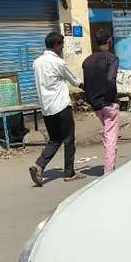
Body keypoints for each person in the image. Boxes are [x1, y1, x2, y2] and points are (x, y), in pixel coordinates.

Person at [29, 31, 81, 186]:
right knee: (69, 139)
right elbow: (74, 80)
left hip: (46, 108)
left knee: (55, 139)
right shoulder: (59, 63)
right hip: (61, 106)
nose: (62, 48)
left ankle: (39, 165)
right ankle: (69, 173)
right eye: (62, 45)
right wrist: (88, 87)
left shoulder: (37, 62)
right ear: (56, 45)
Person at [82, 29, 120, 175]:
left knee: (107, 134)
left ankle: (110, 166)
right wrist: (111, 100)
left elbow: (87, 84)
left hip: (96, 105)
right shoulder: (112, 59)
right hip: (108, 104)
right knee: (110, 138)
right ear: (109, 42)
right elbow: (111, 79)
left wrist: (92, 101)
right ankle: (109, 171)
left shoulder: (87, 61)